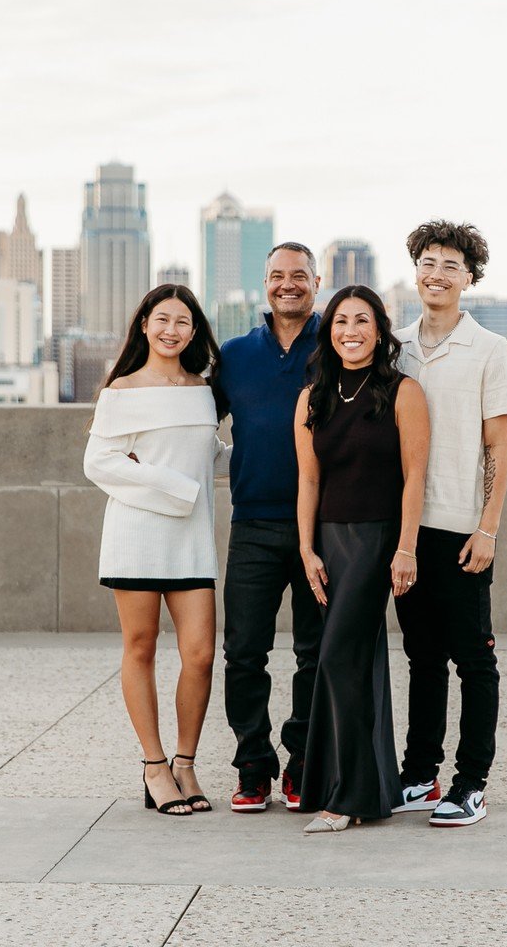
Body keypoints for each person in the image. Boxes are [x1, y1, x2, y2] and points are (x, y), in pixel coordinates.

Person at [82, 284, 228, 817]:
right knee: (140, 647)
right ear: (144, 323)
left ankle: (186, 761)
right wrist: (173, 486)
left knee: (201, 655)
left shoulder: (203, 390)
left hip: (190, 538)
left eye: (183, 322)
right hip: (137, 533)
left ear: (195, 331)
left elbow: (207, 454)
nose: (172, 329)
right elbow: (99, 463)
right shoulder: (121, 390)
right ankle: (154, 765)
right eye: (162, 318)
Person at [391, 220, 507, 828]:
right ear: (415, 270)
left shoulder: (490, 349)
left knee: (474, 658)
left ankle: (471, 782)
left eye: (450, 265)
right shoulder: (395, 345)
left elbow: (499, 448)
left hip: (463, 527)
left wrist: (487, 528)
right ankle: (420, 773)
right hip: (408, 530)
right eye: (428, 262)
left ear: (469, 278)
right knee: (421, 655)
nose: (437, 273)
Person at [294, 285, 429, 833]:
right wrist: (305, 549)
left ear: (380, 329)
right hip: (328, 542)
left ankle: (345, 796)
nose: (350, 330)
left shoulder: (403, 392)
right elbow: (308, 478)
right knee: (355, 662)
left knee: (338, 659)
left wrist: (405, 547)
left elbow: (415, 474)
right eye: (340, 321)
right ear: (329, 332)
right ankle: (368, 787)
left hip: (377, 542)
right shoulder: (312, 397)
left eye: (362, 320)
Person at [212, 242, 325, 812]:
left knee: (316, 655)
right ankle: (253, 764)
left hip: (324, 530)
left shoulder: (342, 342)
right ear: (265, 283)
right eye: (278, 275)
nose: (289, 284)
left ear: (316, 280)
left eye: (299, 276)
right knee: (243, 654)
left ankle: (302, 761)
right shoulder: (234, 355)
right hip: (252, 524)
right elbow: (189, 418)